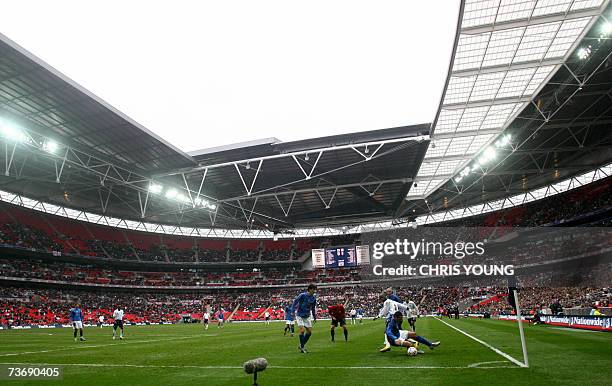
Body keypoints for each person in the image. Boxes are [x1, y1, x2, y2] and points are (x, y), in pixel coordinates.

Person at [292, 283, 317, 353]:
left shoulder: (313, 298)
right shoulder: (302, 295)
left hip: (307, 316)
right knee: (302, 330)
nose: (315, 291)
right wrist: (292, 311)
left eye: (315, 289)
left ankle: (301, 345)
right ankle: (302, 348)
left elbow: (313, 308)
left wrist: (314, 317)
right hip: (299, 315)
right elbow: (295, 302)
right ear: (309, 289)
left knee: (309, 332)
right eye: (313, 289)